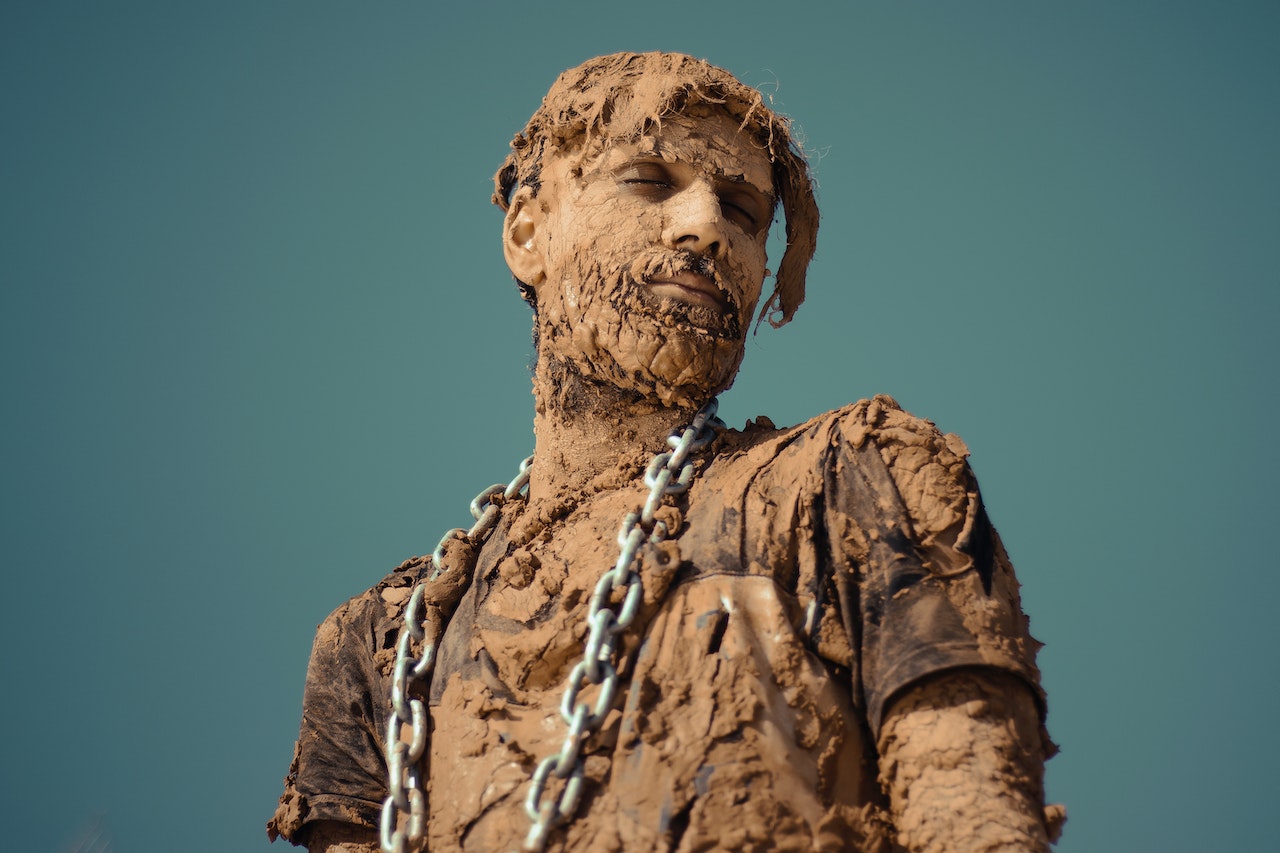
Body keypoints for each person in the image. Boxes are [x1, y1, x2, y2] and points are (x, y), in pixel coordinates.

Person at [268, 51, 1063, 853]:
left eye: (745, 212)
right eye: (649, 179)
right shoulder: (384, 643)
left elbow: (977, 821)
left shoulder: (854, 478)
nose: (707, 226)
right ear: (527, 233)